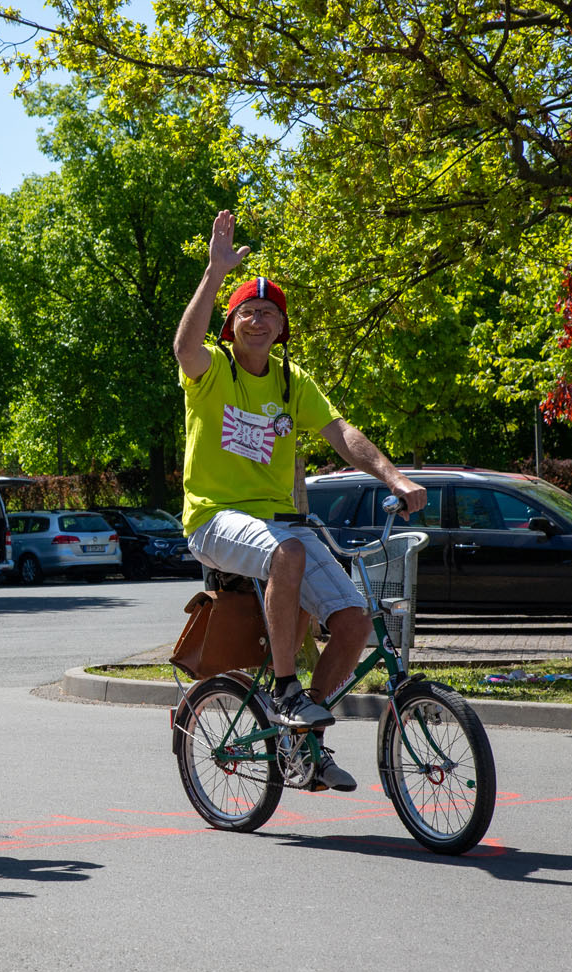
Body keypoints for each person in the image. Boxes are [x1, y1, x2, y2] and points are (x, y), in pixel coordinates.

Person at [173, 210, 426, 791]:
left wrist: (395, 478)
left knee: (355, 621)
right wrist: (214, 275)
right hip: (214, 518)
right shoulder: (213, 372)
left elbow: (343, 433)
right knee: (287, 550)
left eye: (269, 312)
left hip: (279, 522)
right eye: (247, 311)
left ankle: (300, 741)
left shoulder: (292, 381)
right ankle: (287, 689)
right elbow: (185, 344)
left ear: (281, 327)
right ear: (230, 324)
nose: (258, 319)